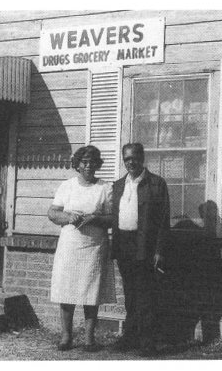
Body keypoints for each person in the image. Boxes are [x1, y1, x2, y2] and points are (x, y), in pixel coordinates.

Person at [47, 145, 115, 352]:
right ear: (77, 164)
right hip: (70, 245)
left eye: (92, 162)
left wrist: (96, 218)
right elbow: (52, 213)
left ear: (97, 165)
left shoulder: (105, 187)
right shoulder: (67, 186)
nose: (88, 166)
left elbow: (112, 218)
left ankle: (89, 339)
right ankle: (66, 337)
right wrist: (68, 217)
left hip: (94, 246)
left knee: (91, 292)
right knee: (66, 290)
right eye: (84, 162)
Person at [111, 142, 170, 357]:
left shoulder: (156, 184)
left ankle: (147, 343)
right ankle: (130, 338)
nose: (130, 162)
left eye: (134, 158)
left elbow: (164, 221)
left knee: (145, 295)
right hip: (124, 245)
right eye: (126, 159)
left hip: (144, 244)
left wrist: (159, 250)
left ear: (142, 158)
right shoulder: (118, 185)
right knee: (130, 295)